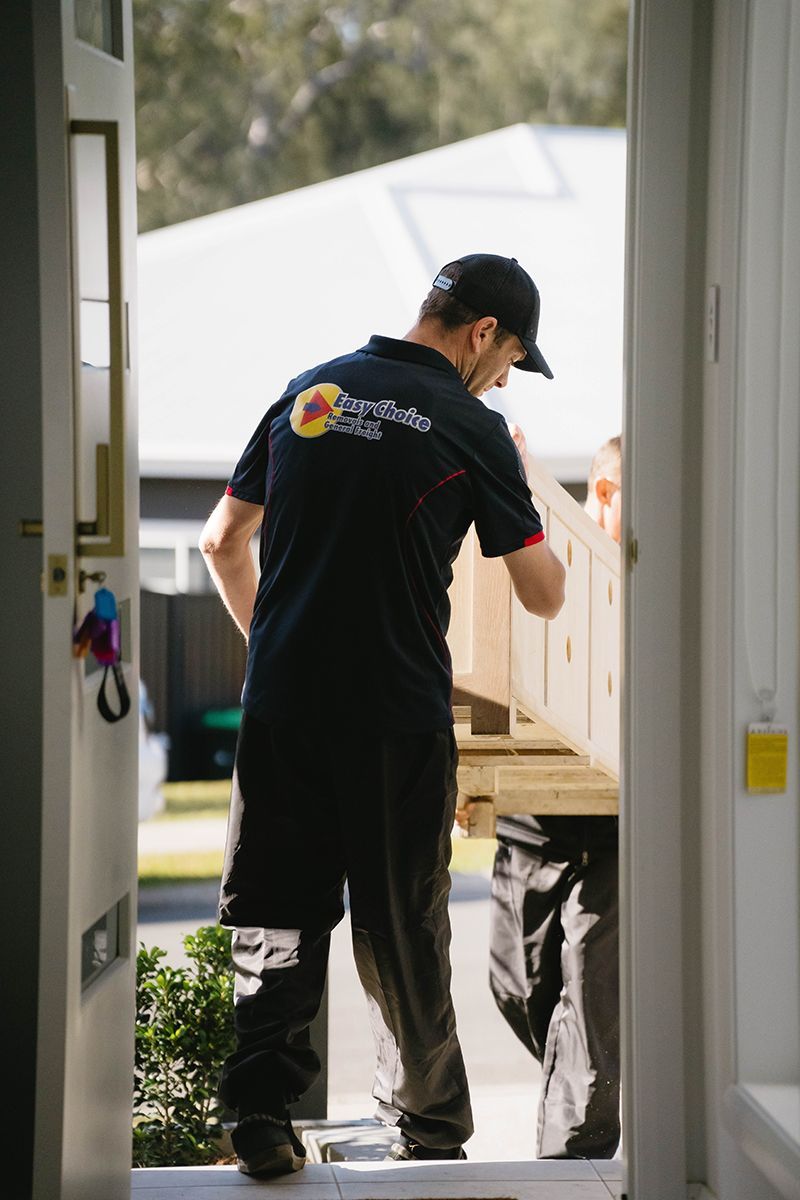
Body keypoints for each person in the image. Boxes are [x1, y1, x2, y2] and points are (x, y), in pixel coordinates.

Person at [199, 253, 566, 1178]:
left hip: (282, 708)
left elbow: (221, 540)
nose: (505, 379)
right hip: (393, 714)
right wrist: (519, 480)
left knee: (276, 913)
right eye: (511, 359)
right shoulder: (471, 426)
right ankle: (428, 1133)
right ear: (483, 332)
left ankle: (262, 1116)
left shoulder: (308, 393)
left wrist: (273, 646)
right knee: (402, 927)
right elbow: (546, 593)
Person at [488, 433, 622, 1160]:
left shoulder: (658, 579)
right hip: (532, 822)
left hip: (616, 828)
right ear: (604, 492)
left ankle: (576, 1159)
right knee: (516, 985)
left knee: (593, 997)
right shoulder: (545, 551)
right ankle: (578, 1086)